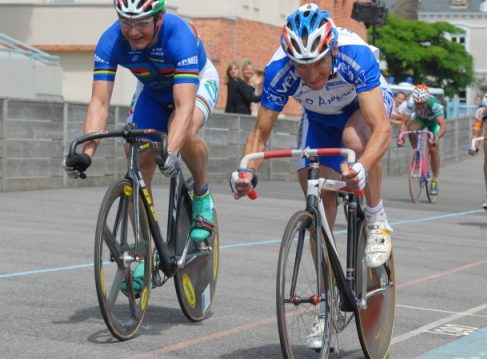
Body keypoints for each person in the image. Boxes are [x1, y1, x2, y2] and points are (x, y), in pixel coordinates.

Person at [63, 0, 220, 290]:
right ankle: (148, 251)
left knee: (184, 132)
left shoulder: (179, 35)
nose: (133, 32)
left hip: (195, 84)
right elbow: (99, 102)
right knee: (136, 150)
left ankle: (201, 193)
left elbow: (184, 107)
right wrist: (87, 153)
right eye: (126, 23)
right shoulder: (110, 41)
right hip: (152, 90)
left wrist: (171, 151)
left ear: (159, 17)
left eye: (141, 24)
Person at [231, 4, 393, 269]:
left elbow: (382, 130)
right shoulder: (278, 71)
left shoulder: (355, 54)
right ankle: (328, 292)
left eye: (319, 62)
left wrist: (362, 166)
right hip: (318, 118)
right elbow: (260, 135)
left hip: (360, 108)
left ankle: (377, 220)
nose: (311, 74)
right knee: (317, 201)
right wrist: (244, 172)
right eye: (302, 66)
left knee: (354, 137)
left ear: (334, 51)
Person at [395, 84, 447, 195]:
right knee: (411, 128)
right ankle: (417, 153)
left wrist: (436, 137)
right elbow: (404, 122)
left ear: (426, 100)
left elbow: (443, 126)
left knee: (433, 148)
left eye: (422, 104)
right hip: (421, 119)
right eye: (417, 104)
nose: (419, 106)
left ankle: (435, 179)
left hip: (434, 123)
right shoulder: (411, 102)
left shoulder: (433, 104)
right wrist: (401, 137)